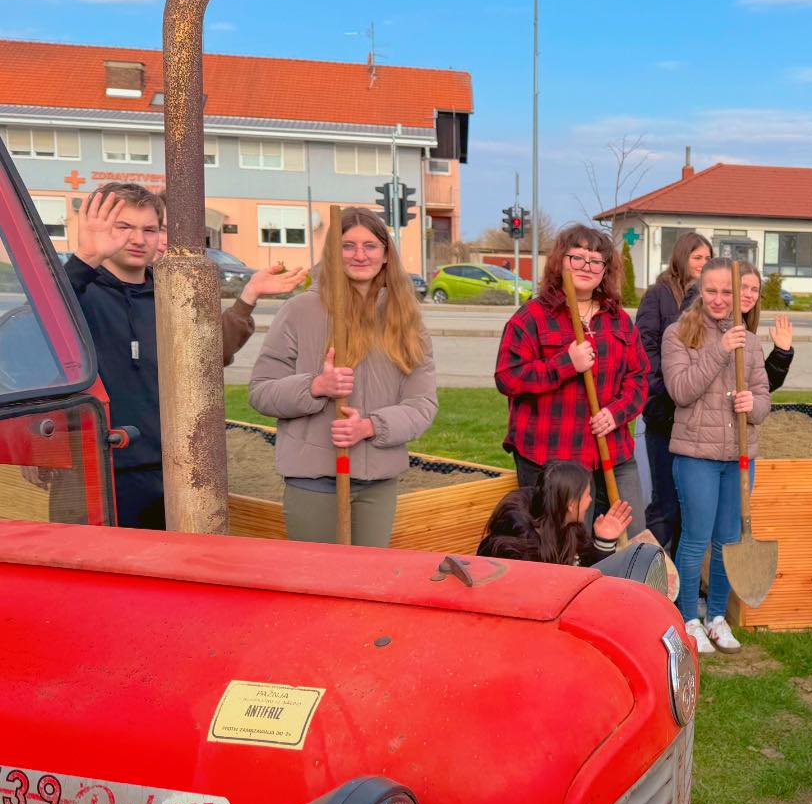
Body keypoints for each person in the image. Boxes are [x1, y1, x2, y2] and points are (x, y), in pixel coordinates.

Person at [63, 184, 304, 528]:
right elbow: (36, 335)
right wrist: (86, 259)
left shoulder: (171, 294)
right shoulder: (76, 292)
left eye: (150, 229)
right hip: (95, 471)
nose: (138, 239)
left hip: (170, 469)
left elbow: (208, 355)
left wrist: (248, 296)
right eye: (124, 227)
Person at [248, 207, 435, 546]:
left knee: (368, 574)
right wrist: (315, 386)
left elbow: (422, 404)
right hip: (314, 480)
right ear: (334, 253)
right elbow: (261, 392)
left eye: (370, 246)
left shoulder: (406, 317)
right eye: (348, 246)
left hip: (378, 482)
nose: (360, 255)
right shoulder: (300, 311)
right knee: (316, 575)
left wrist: (371, 426)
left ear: (386, 255)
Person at [495, 223, 648, 520]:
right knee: (568, 539)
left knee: (632, 533)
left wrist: (615, 413)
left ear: (605, 270)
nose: (586, 266)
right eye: (577, 257)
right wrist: (565, 365)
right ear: (560, 261)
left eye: (595, 261)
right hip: (554, 459)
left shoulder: (618, 320)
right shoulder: (532, 317)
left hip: (612, 451)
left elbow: (638, 378)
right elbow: (508, 377)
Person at [662, 257, 771, 655]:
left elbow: (764, 398)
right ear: (700, 290)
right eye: (712, 291)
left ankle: (717, 616)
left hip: (739, 455)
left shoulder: (751, 341)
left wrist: (753, 405)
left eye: (728, 291)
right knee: (696, 538)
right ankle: (689, 618)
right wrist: (721, 350)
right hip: (696, 455)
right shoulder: (679, 334)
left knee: (728, 541)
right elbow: (681, 391)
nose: (720, 299)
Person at [635, 231, 711, 548]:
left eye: (708, 258)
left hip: (696, 417)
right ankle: (649, 566)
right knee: (665, 501)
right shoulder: (658, 296)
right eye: (697, 257)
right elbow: (644, 349)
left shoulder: (710, 298)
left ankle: (680, 568)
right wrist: (668, 389)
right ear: (682, 257)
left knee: (688, 503)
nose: (704, 263)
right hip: (664, 413)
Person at [476, 459, 633, 566]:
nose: (591, 500)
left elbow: (590, 578)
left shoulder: (570, 529)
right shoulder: (519, 549)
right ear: (571, 505)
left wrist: (604, 541)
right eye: (587, 495)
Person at [739, 263, 794, 392]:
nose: (749, 294)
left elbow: (760, 386)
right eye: (743, 287)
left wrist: (781, 353)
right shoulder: (716, 327)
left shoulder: (745, 328)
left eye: (754, 290)